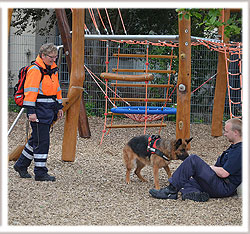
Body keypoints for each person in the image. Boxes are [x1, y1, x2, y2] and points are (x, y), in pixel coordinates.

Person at [149, 118, 242, 202]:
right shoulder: (235, 147)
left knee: (193, 159)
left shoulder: (240, 150)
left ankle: (171, 190)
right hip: (218, 181)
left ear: (236, 133)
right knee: (184, 180)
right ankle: (195, 194)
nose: (224, 134)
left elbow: (224, 173)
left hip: (223, 187)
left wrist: (208, 167)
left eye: (226, 131)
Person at [14, 43, 64, 182]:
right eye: (51, 57)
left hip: (48, 109)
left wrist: (59, 107)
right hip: (39, 110)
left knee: (36, 139)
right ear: (43, 55)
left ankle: (21, 165)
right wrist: (31, 112)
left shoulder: (52, 69)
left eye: (55, 57)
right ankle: (40, 172)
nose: (53, 60)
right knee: (42, 142)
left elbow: (57, 89)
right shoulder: (35, 70)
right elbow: (30, 93)